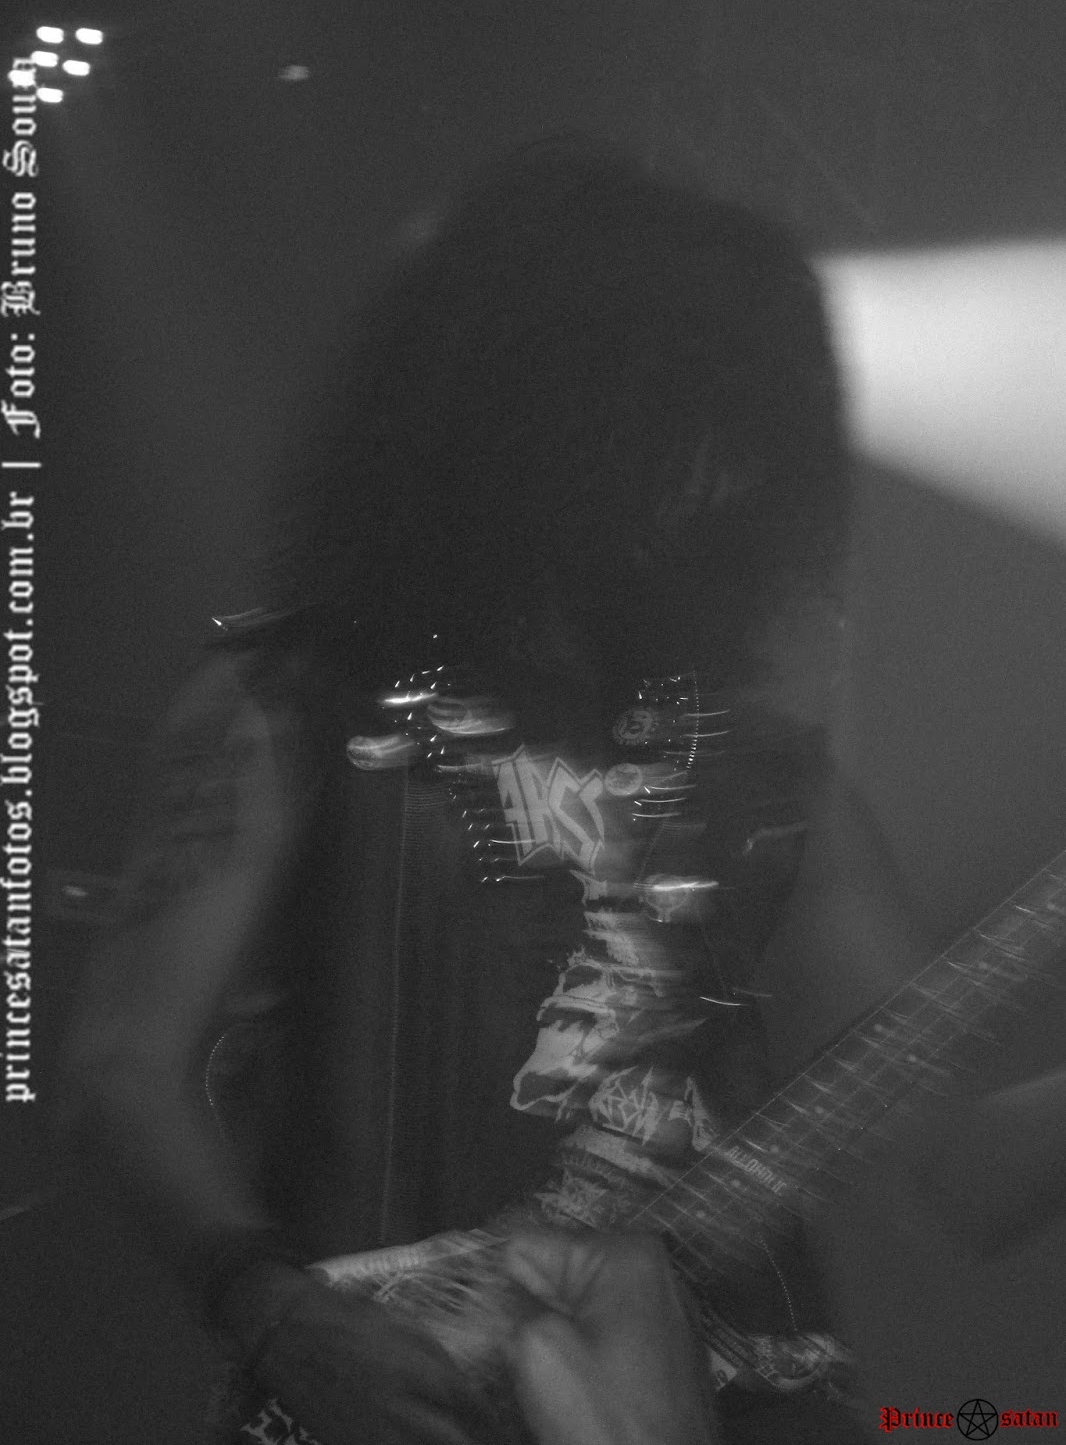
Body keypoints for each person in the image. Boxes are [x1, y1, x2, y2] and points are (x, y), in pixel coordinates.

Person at [58, 133, 926, 1444]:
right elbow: (127, 1066)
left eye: (742, 436)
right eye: (677, 423)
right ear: (536, 411)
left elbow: (959, 1169)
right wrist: (278, 1316)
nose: (717, 480)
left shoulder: (760, 768)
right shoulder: (295, 703)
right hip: (422, 1391)